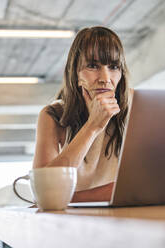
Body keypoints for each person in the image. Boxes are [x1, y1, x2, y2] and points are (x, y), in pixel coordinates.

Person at [33, 26, 132, 202]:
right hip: (71, 222)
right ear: (76, 73)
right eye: (93, 66)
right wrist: (93, 126)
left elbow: (144, 185)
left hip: (120, 217)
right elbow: (45, 193)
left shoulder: (134, 107)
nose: (105, 78)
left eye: (114, 67)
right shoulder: (53, 115)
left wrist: (70, 198)